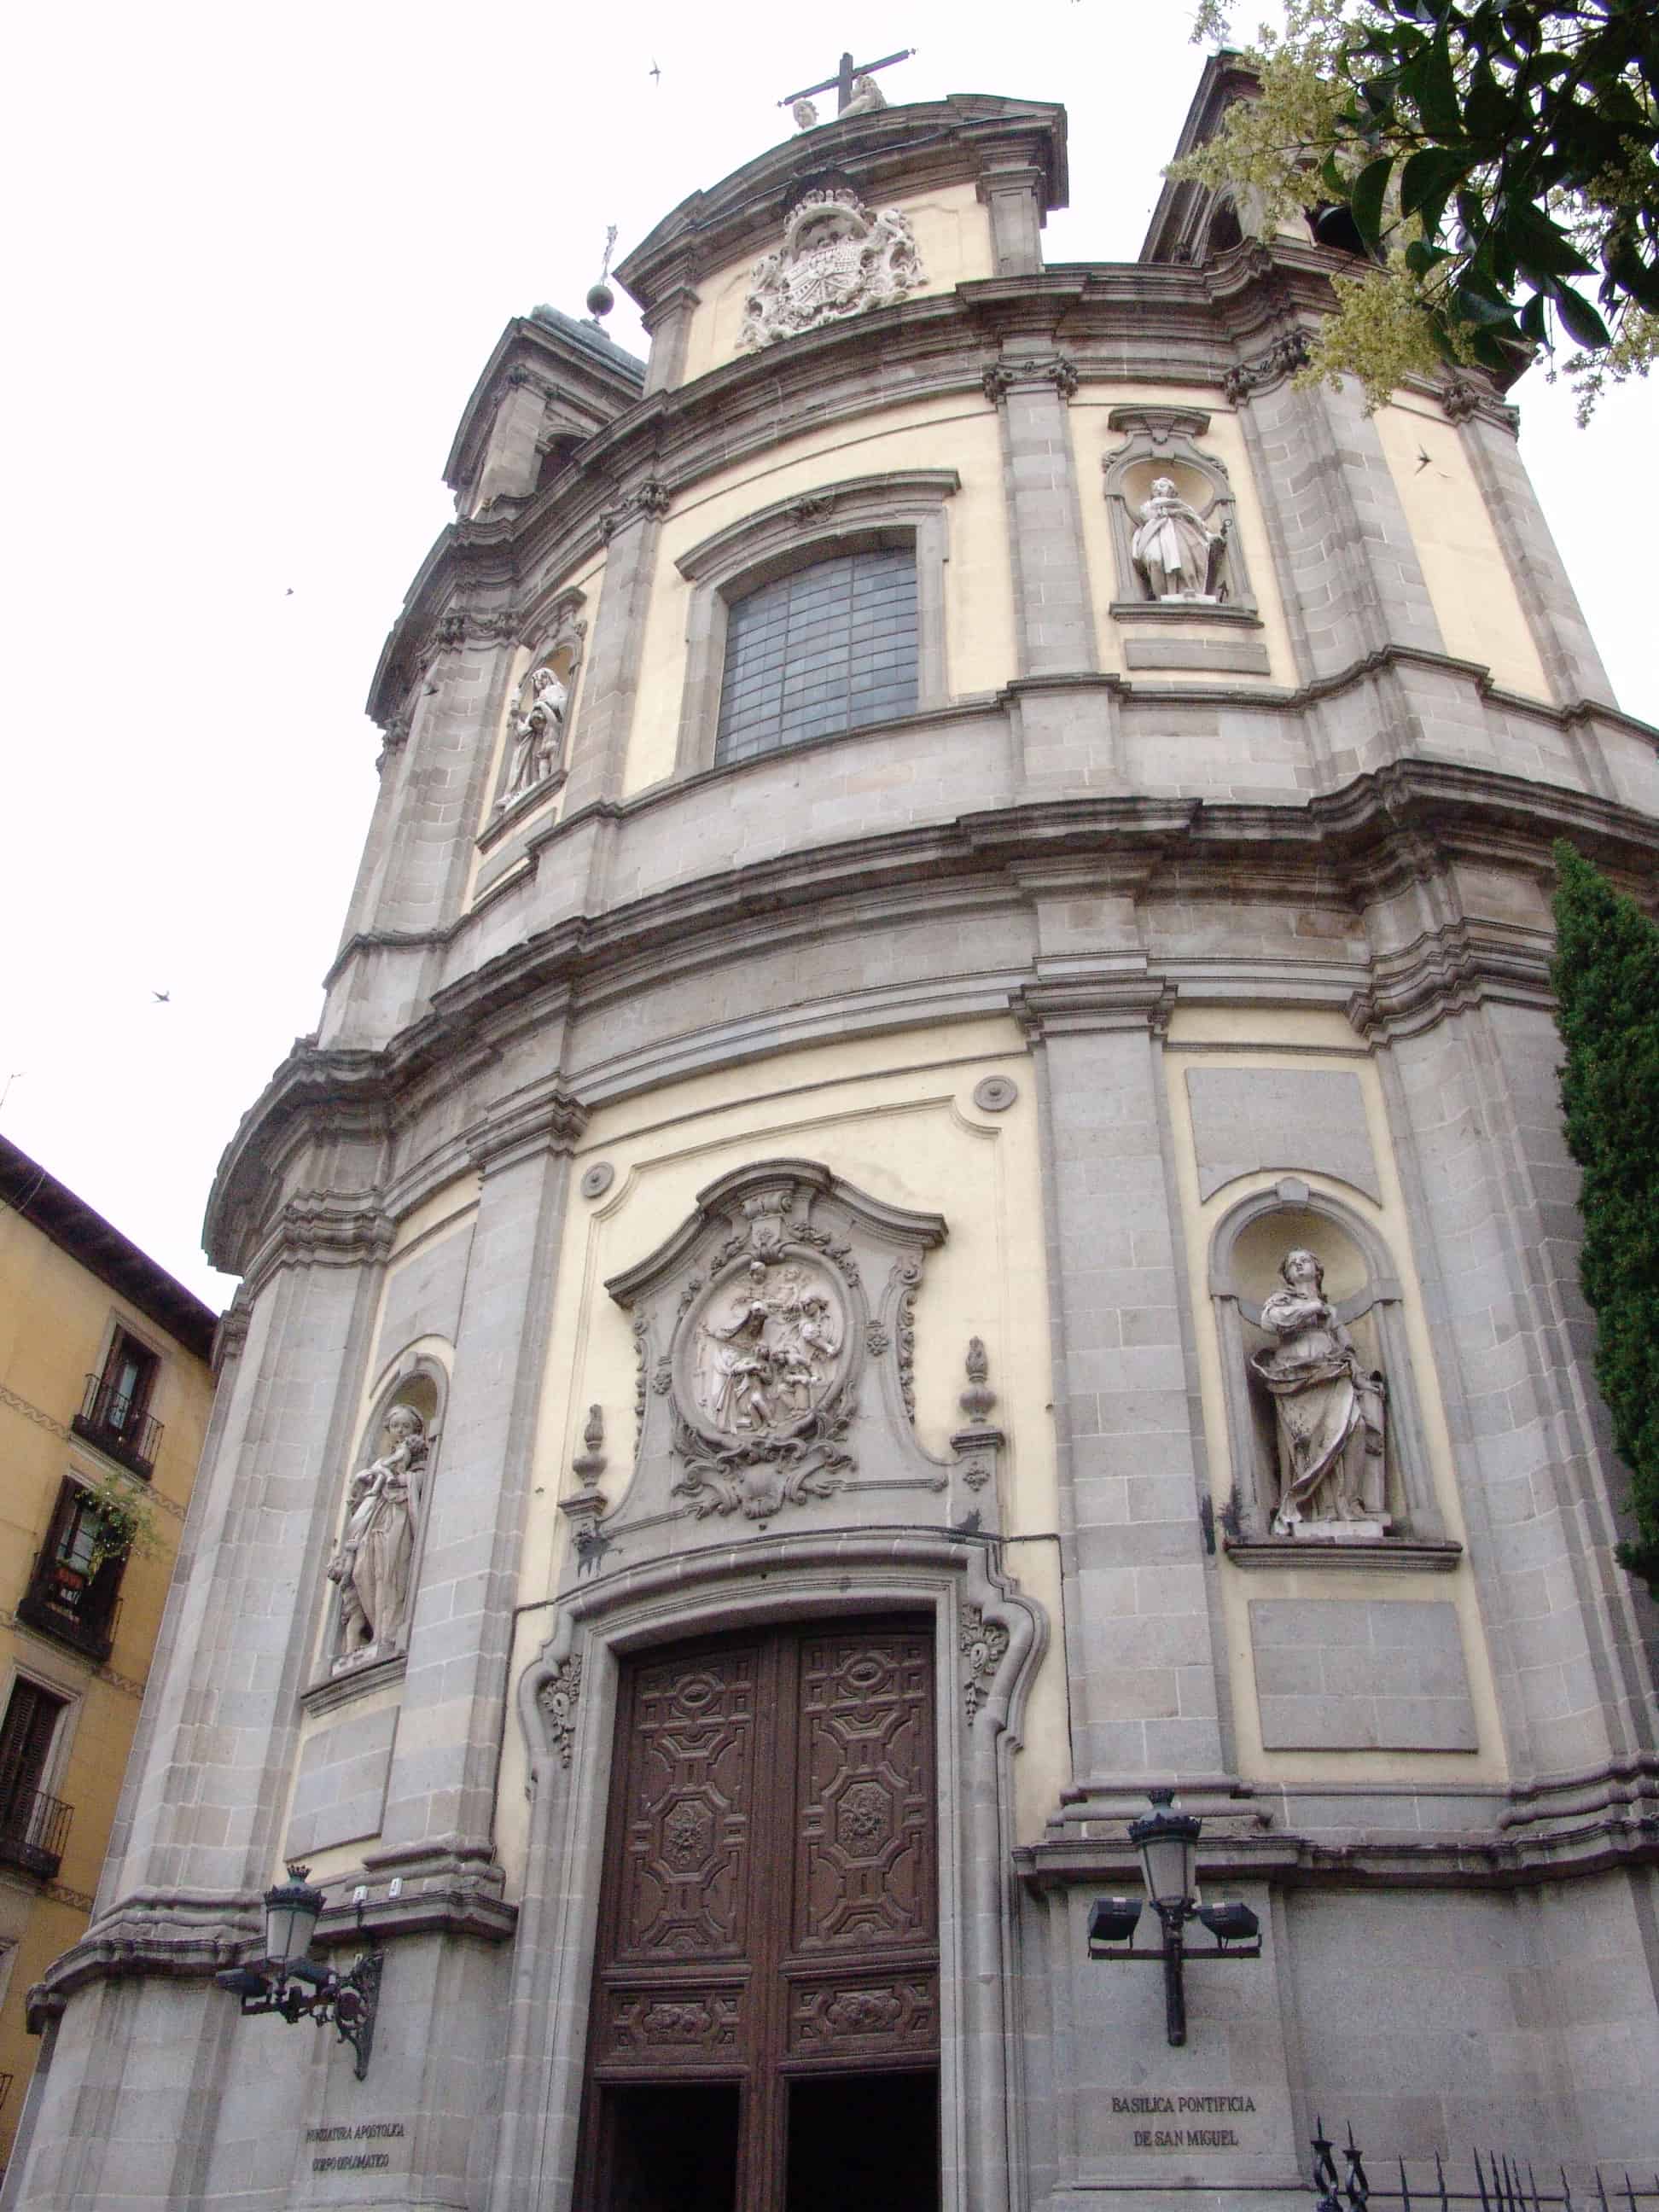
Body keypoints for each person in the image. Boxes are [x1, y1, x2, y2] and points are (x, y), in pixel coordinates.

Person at [1250, 1248, 1385, 1533]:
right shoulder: (1283, 1300)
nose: (1299, 1265)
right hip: (1297, 1380)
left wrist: (1361, 1379)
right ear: (1287, 1274)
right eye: (1292, 1263)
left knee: (1356, 1428)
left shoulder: (1330, 1310)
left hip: (1334, 1373)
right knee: (1308, 1442)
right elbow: (1270, 1321)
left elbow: (1346, 1349)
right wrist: (1311, 1308)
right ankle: (1315, 1510)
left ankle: (1349, 1505)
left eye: (1305, 1260)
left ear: (1318, 1269)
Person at [329, 1405, 426, 1662]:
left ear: (415, 1430)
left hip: (398, 1520)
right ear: (389, 1429)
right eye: (396, 1426)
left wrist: (403, 1480)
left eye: (406, 1426)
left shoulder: (418, 1460)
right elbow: (361, 1493)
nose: (400, 1431)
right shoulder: (383, 1460)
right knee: (363, 1571)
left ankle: (387, 1634)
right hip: (374, 1521)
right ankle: (375, 1634)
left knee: (391, 1573)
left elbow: (421, 1480)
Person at [1131, 475, 1224, 600]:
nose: (1158, 488)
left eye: (1162, 486)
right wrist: (1172, 511)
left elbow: (1198, 525)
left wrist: (1210, 537)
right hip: (1156, 534)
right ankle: (1161, 597)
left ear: (1171, 489)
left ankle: (1187, 593)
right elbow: (1146, 516)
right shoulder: (1149, 505)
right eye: (1156, 487)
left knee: (1185, 563)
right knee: (1155, 559)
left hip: (1182, 536)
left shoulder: (1183, 506)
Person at [498, 664, 567, 807]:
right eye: (535, 681)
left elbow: (559, 709)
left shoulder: (554, 690)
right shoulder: (537, 703)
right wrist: (515, 716)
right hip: (538, 743)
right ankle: (516, 791)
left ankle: (540, 786)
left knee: (546, 766)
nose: (538, 684)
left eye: (539, 679)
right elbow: (525, 730)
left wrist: (543, 706)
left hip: (550, 741)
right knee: (521, 756)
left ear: (547, 678)